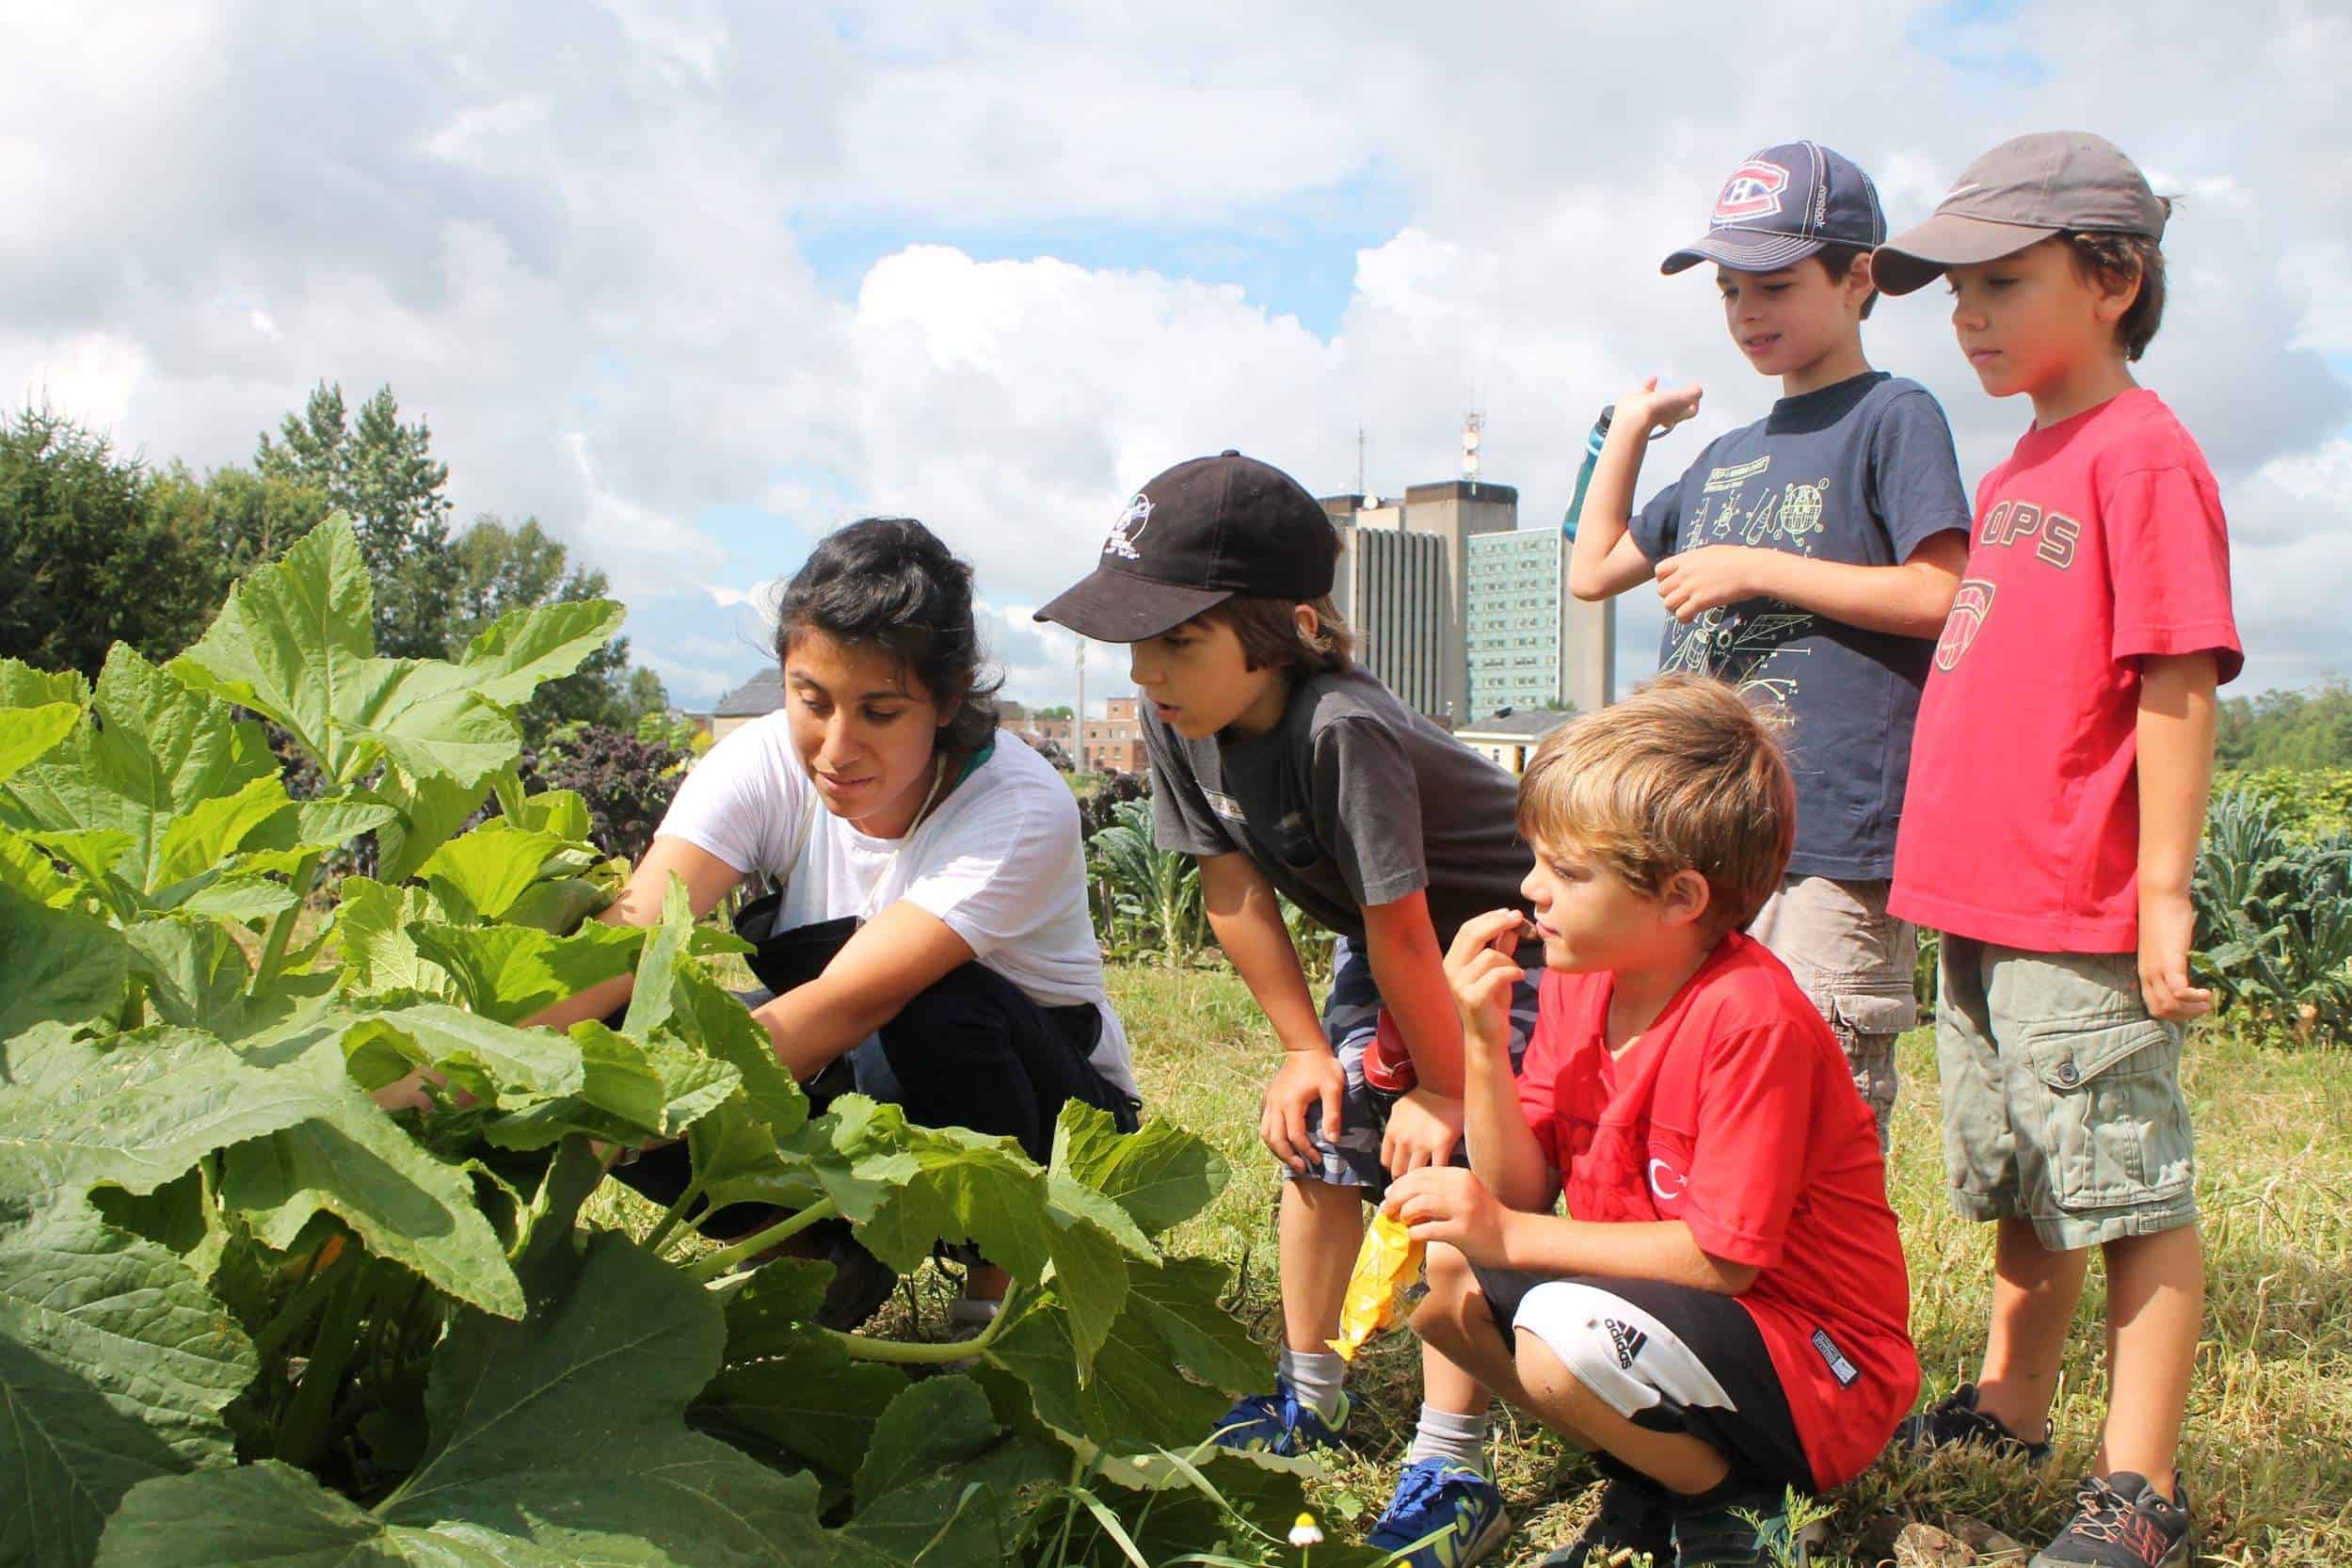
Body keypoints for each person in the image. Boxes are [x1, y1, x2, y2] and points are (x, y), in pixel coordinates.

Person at [1034, 452, 1544, 1558]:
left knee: (1449, 1173)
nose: (1147, 671)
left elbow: (1409, 929)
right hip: (1393, 944)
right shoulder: (1180, 719)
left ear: (1291, 629)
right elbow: (1233, 891)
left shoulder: (1339, 728)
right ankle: (1307, 1392)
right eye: (1135, 642)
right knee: (1325, 1127)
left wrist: (1448, 1089)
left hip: (1516, 940)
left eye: (1177, 640)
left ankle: (1453, 1463)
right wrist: (1306, 1049)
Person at [1874, 132, 2235, 1568]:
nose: (1965, 315)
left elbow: (2176, 678)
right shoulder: (2028, 454)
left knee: (2127, 1190)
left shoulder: (2139, 455)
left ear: (2111, 279)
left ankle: (2136, 1490)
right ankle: (2007, 1407)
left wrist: (2160, 892)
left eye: (1999, 283)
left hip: (2072, 899)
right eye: (1954, 290)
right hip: (1980, 896)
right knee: (2027, 1173)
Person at [536, 516, 1140, 1332]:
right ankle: (810, 1257)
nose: (836, 747)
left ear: (949, 699)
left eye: (880, 712)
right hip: (855, 1080)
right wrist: (484, 1068)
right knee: (616, 1031)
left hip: (1049, 1119)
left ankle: (996, 1290)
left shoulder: (1017, 807)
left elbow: (847, 1004)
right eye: (811, 702)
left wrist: (638, 1109)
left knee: (933, 1008)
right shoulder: (755, 763)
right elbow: (632, 933)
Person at [1383, 674, 1918, 1568]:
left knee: (1554, 1335)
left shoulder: (1751, 1019)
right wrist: (1480, 1039)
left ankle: (1732, 1508)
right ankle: (1657, 1484)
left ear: (1680, 897)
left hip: (1819, 1366)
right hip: (1685, 1331)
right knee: (1448, 1287)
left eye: (1567, 871)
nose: (1532, 888)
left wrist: (1508, 1235)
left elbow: (1724, 1259)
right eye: (1536, 858)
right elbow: (1518, 1191)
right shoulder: (1582, 983)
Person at [1568, 139, 1974, 1145]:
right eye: (1730, 291)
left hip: (1827, 837)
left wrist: (1756, 567)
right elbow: (1594, 569)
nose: (1748, 311)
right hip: (1695, 837)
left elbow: (1943, 593)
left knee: (1811, 1099)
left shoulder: (1892, 416)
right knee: (1696, 1093)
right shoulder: (1725, 456)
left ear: (1859, 278)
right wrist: (1630, 427)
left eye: (1776, 286)